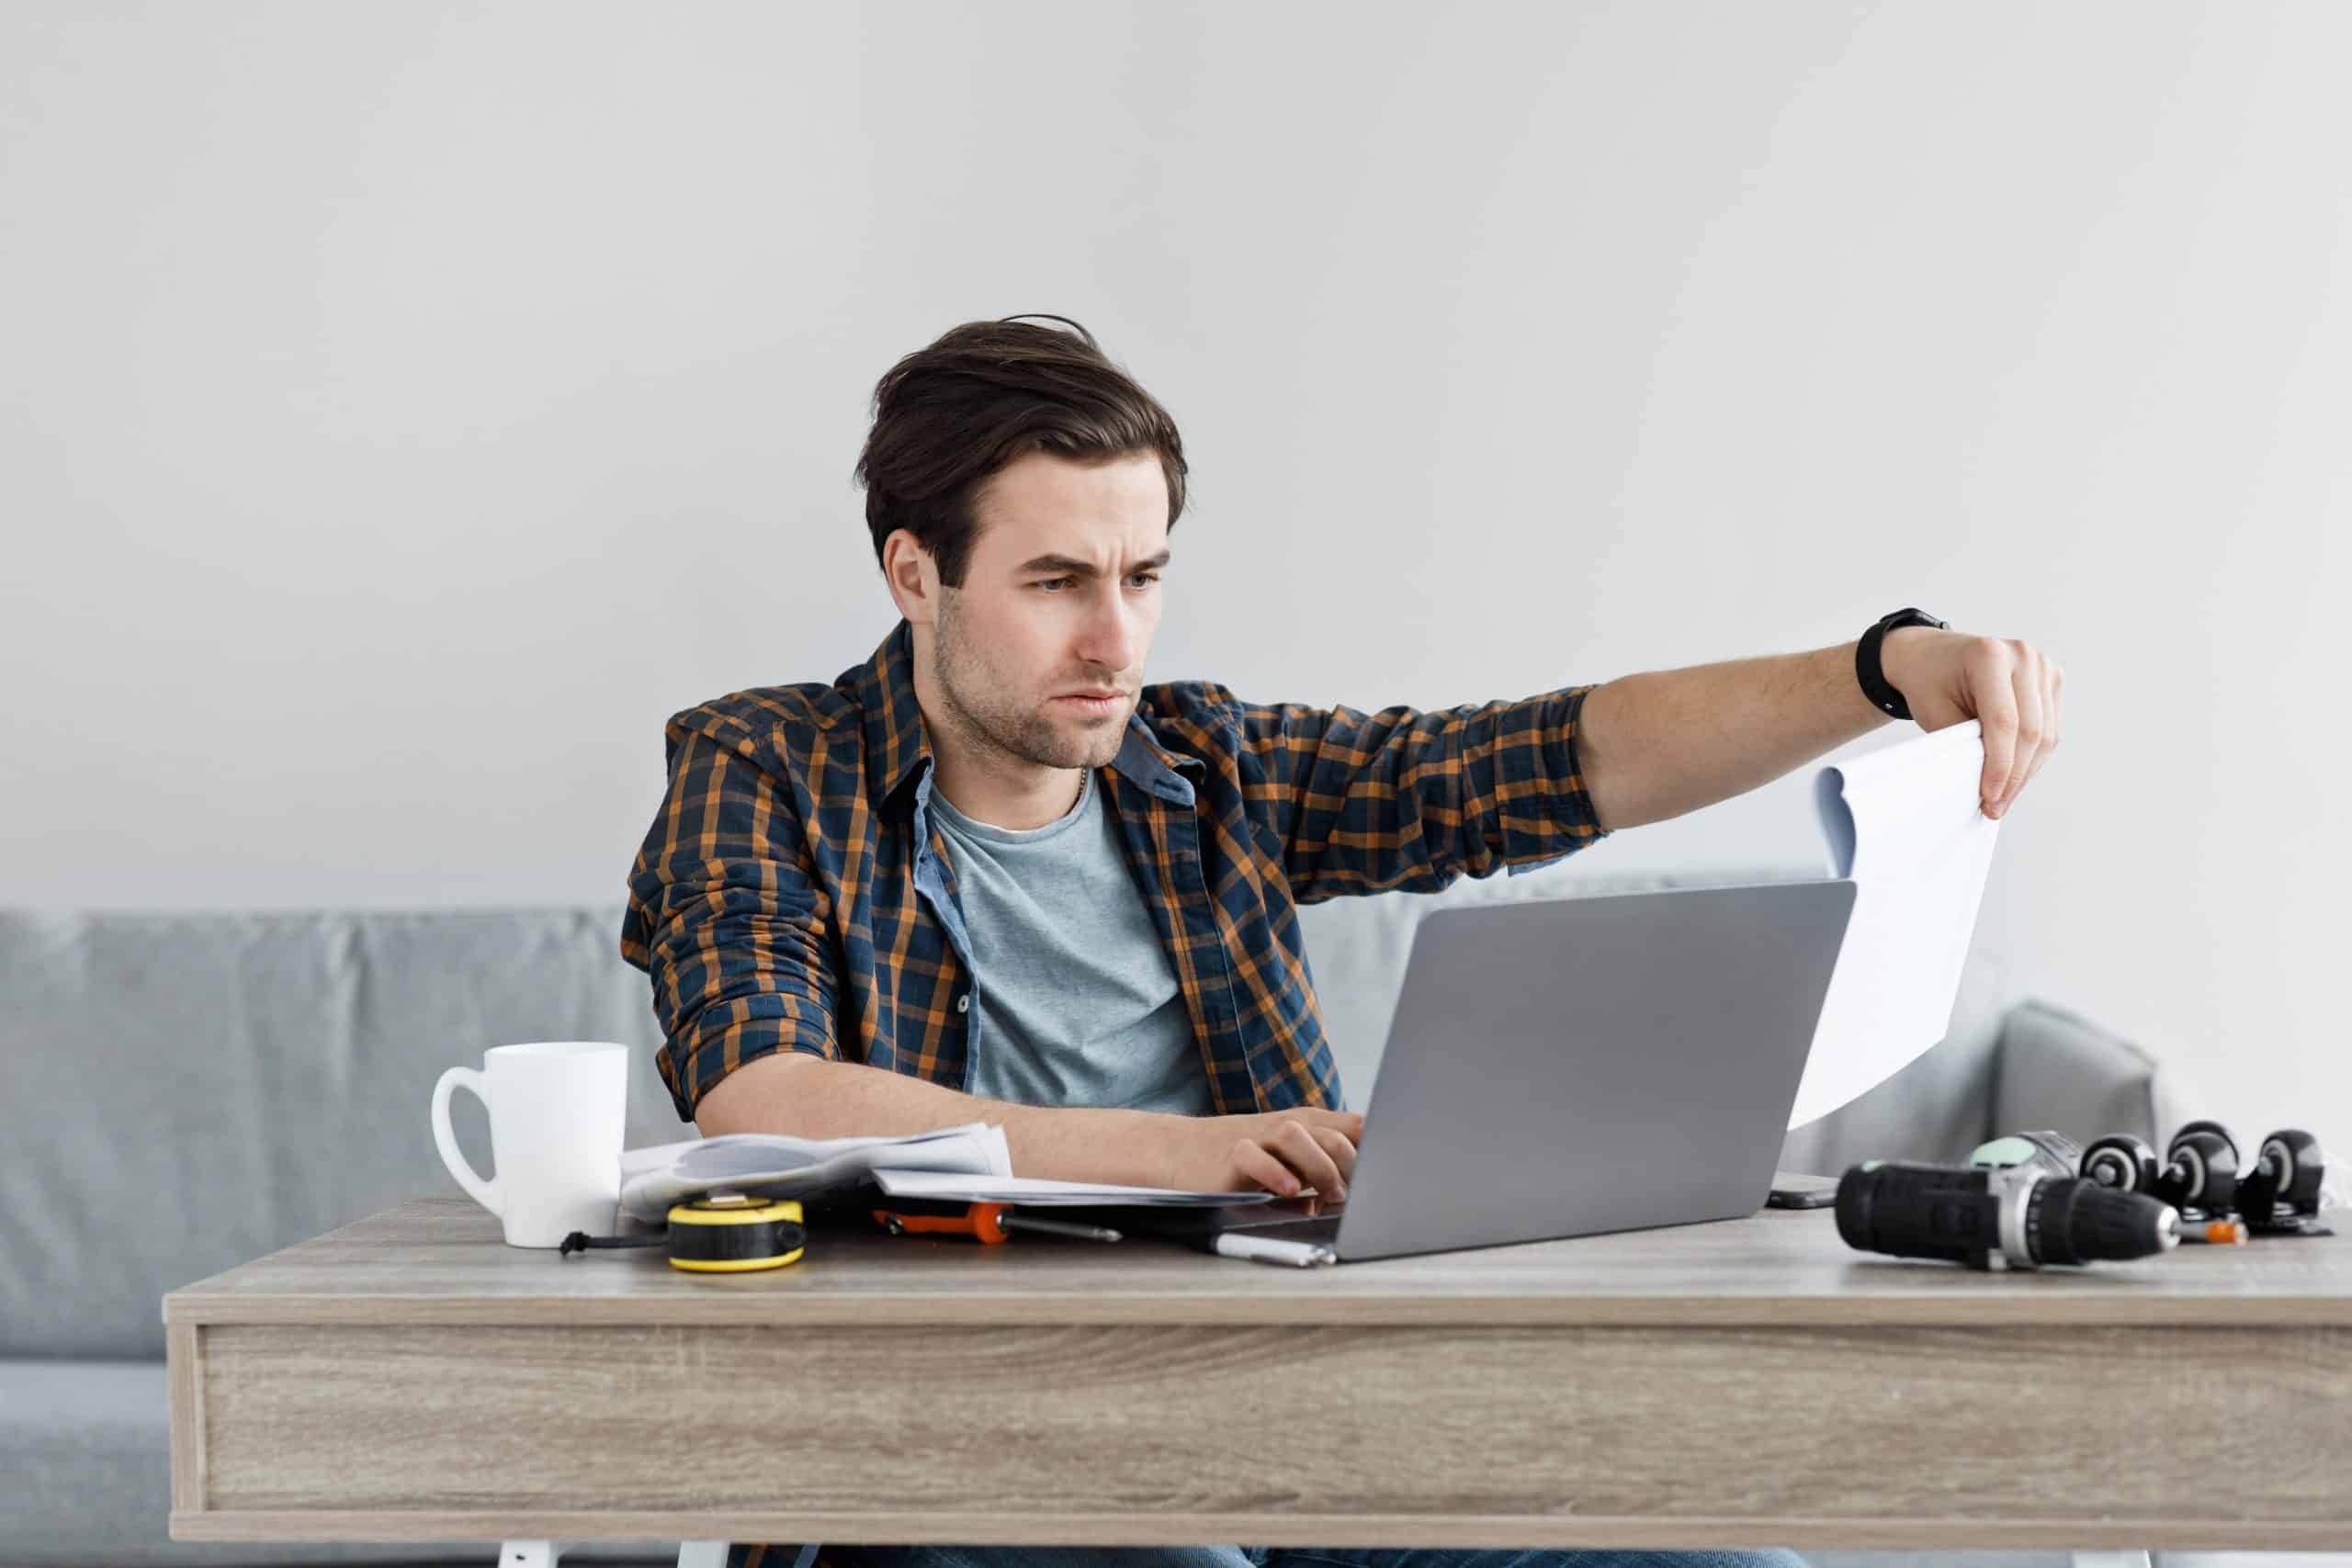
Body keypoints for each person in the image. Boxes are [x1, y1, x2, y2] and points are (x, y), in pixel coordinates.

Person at [618, 314, 2063, 1568]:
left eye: (1144, 577)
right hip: (949, 1439)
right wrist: (1185, 1148)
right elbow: (765, 1095)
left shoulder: (1209, 770)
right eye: (1056, 582)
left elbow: (1551, 759)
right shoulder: (767, 770)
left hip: (1295, 1412)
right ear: (913, 576)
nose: (1117, 640)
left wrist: (1882, 669)